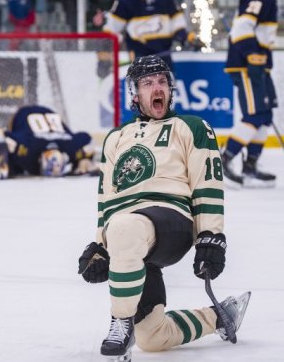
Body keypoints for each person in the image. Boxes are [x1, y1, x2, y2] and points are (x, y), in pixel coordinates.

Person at [77, 55, 250, 361]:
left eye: (161, 82)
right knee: (153, 337)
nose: (157, 88)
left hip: (170, 220)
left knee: (125, 227)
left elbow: (206, 183)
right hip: (127, 235)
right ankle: (219, 316)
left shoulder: (192, 127)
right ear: (135, 94)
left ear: (170, 89)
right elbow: (106, 198)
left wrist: (211, 236)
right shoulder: (115, 137)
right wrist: (100, 245)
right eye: (147, 83)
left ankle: (120, 323)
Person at [221, 0, 284, 188]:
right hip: (248, 66)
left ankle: (250, 166)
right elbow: (241, 27)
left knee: (265, 116)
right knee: (255, 115)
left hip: (258, 66)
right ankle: (223, 161)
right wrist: (252, 54)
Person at [0, 105, 98, 179]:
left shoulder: (71, 147)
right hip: (23, 114)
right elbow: (0, 134)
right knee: (14, 163)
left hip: (50, 114)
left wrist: (83, 159)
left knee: (16, 161)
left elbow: (88, 141)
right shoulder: (28, 146)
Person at [102, 0, 194, 69]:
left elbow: (177, 23)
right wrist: (104, 57)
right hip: (139, 59)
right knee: (143, 85)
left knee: (167, 85)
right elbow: (111, 29)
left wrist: (184, 37)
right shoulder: (125, 0)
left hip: (164, 58)